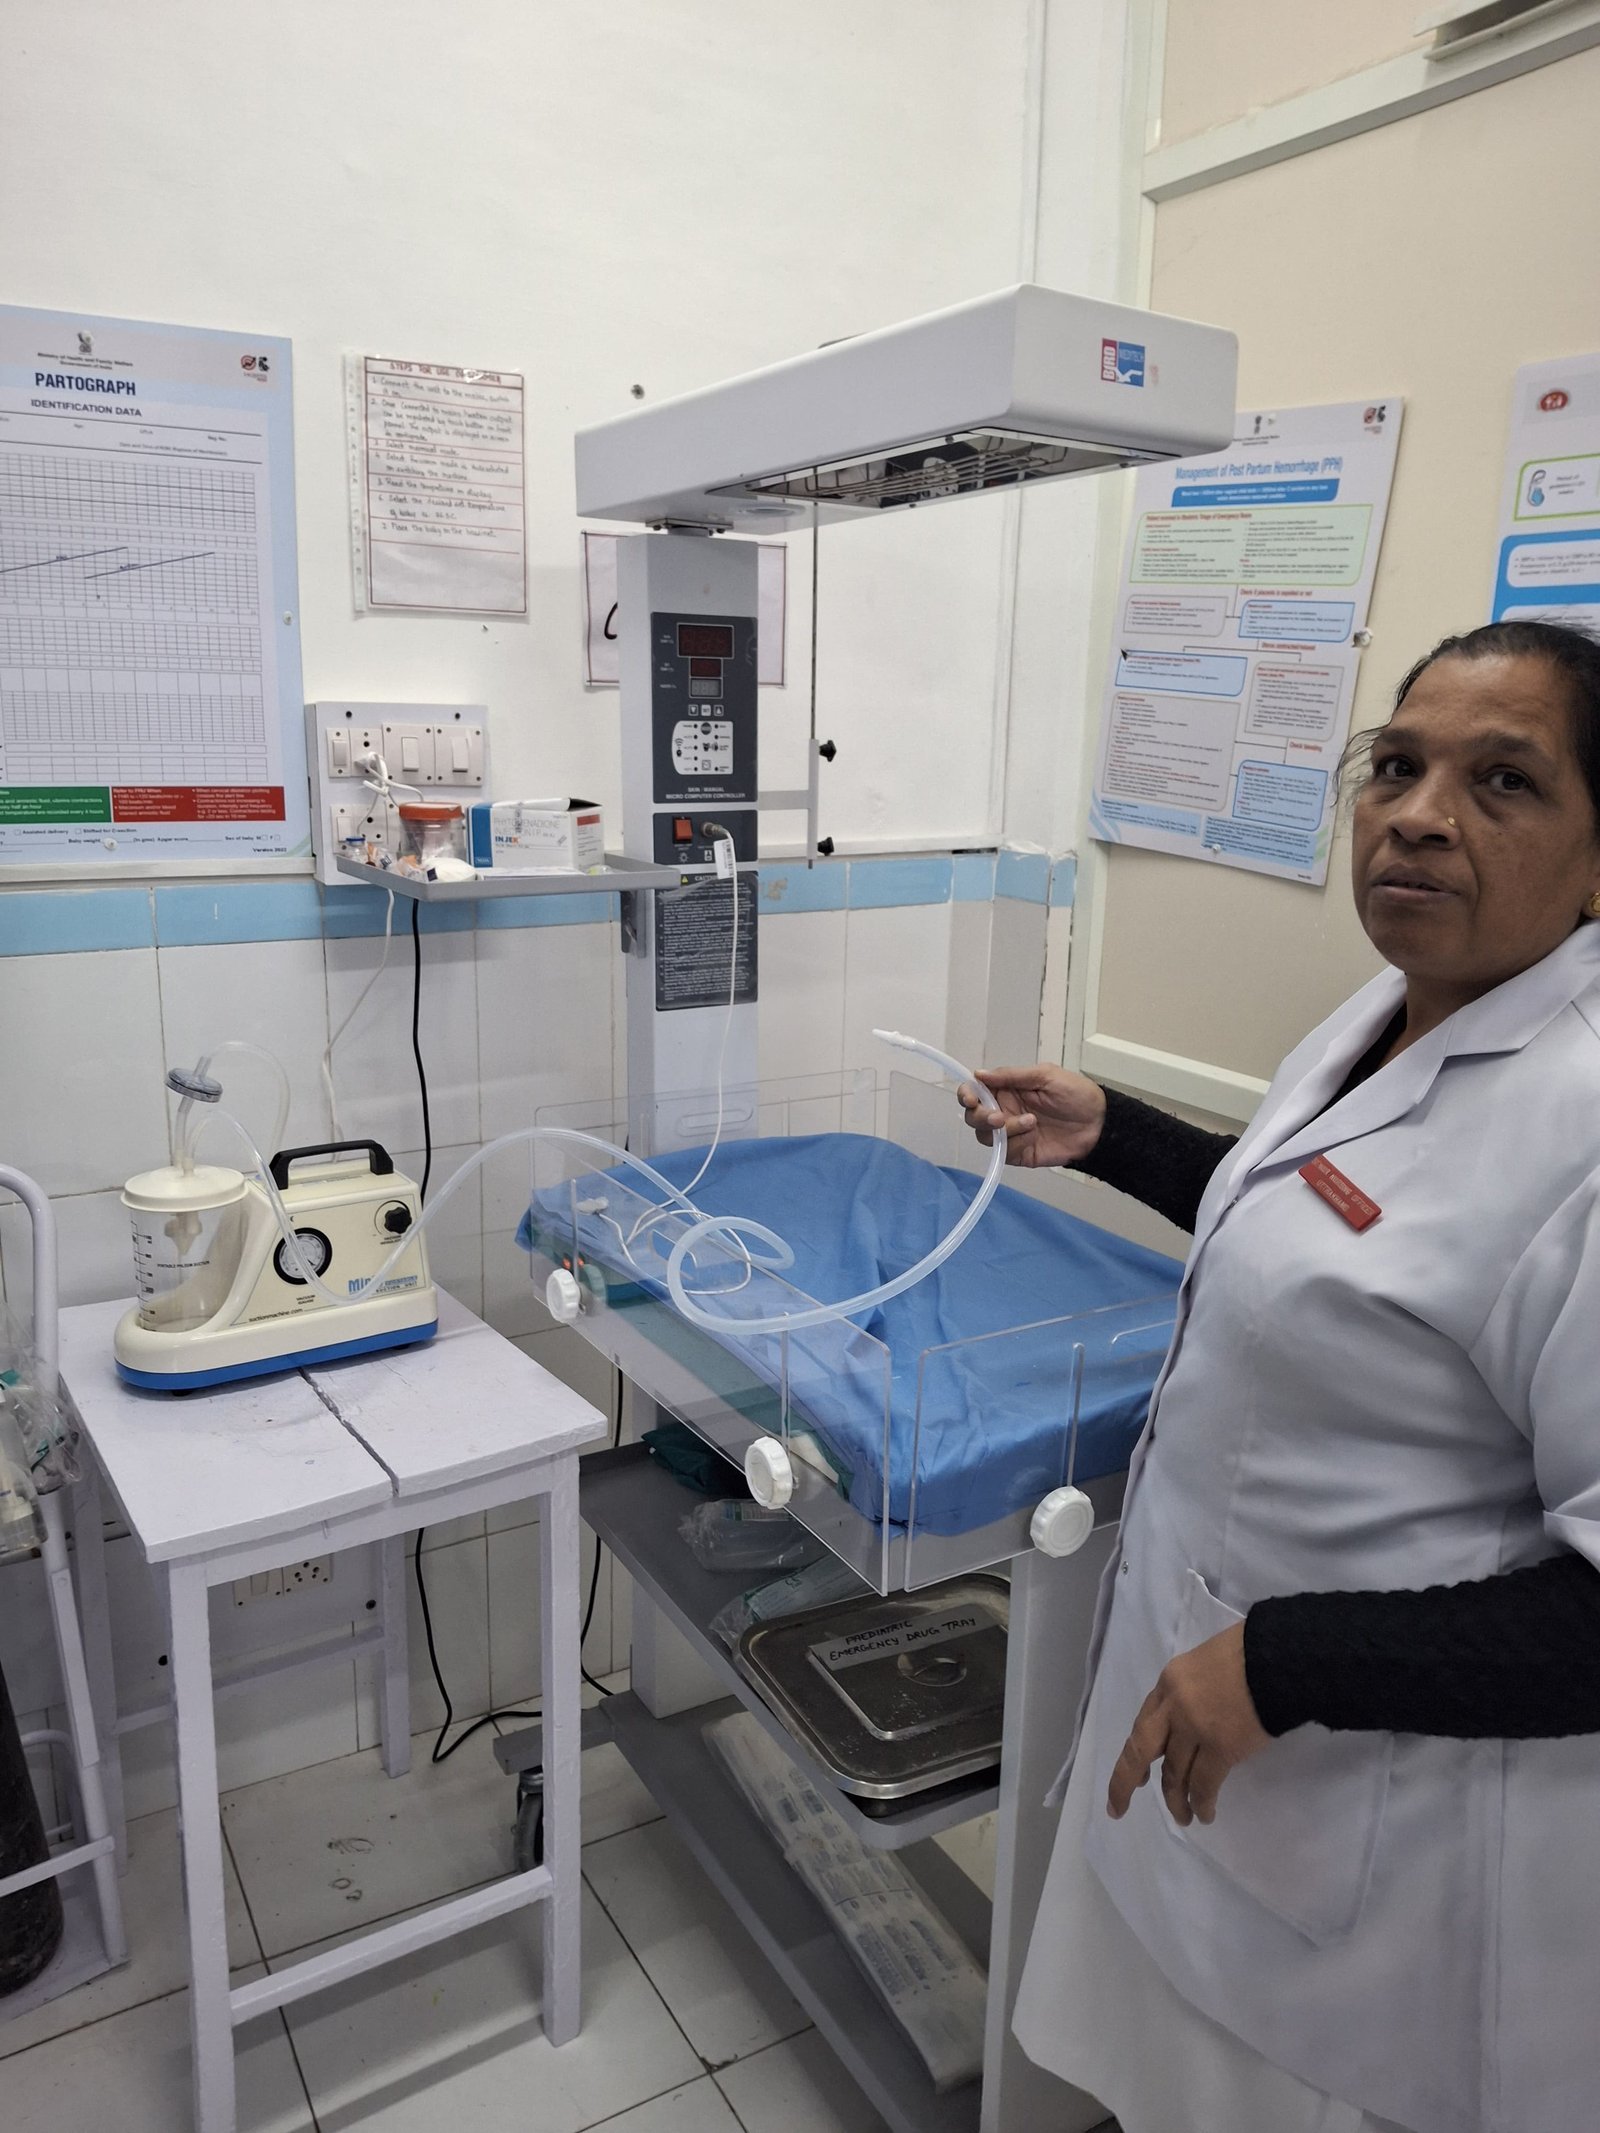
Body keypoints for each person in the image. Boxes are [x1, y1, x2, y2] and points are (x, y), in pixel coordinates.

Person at [960, 619, 1600, 2133]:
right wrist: (1114, 1132)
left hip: (1390, 1851)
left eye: (1504, 780)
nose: (1420, 815)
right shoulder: (1390, 1012)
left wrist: (1291, 1660)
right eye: (1397, 766)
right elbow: (1323, 1240)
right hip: (1231, 1770)